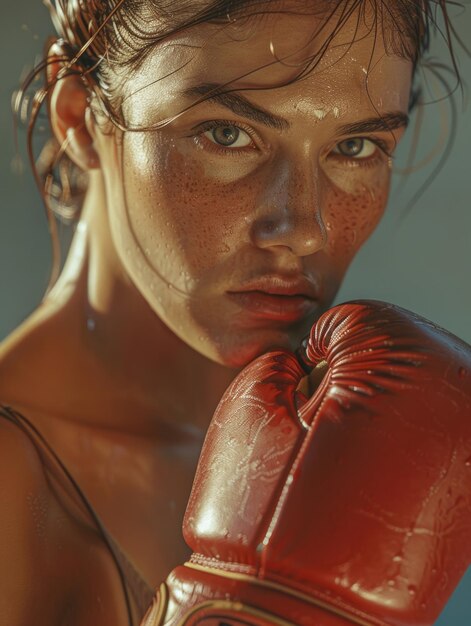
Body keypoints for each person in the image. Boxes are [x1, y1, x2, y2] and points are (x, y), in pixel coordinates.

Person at [0, 1, 464, 624]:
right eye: (227, 134)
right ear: (79, 117)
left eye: (355, 146)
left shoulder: (344, 451)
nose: (302, 229)